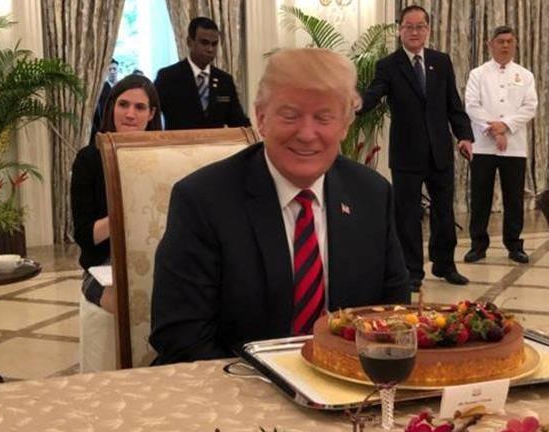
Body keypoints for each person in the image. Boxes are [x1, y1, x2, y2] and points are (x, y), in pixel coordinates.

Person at [150, 48, 410, 364]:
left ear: (344, 125)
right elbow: (181, 338)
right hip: (236, 391)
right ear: (261, 118)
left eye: (324, 117)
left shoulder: (372, 194)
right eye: (290, 115)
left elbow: (394, 316)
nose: (306, 133)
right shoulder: (202, 200)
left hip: (348, 391)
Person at [360, 5, 475, 289]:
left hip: (439, 152)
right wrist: (355, 103)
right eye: (408, 26)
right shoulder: (388, 65)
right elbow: (374, 93)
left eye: (420, 26)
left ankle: (444, 264)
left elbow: (453, 105)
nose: (414, 32)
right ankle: (412, 271)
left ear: (428, 30)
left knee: (444, 212)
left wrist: (464, 136)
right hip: (406, 153)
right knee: (407, 215)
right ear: (400, 30)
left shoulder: (441, 61)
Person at [71, 75, 162, 371]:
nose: (130, 114)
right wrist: (126, 210)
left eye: (139, 107)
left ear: (152, 114)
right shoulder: (88, 159)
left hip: (157, 262)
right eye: (123, 104)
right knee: (126, 305)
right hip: (103, 268)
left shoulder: (165, 157)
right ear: (111, 107)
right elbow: (85, 236)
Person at [463, 25, 538, 264]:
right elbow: (472, 106)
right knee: (480, 196)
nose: (505, 45)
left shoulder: (525, 75)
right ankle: (478, 244)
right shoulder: (478, 74)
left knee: (514, 198)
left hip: (514, 147)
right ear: (490, 44)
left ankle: (514, 245)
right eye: (500, 41)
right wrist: (494, 131)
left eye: (509, 41)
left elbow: (530, 107)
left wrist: (505, 126)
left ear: (515, 44)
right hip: (483, 145)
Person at [154, 16, 249, 130]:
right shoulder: (168, 77)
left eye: (214, 44)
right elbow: (151, 116)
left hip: (216, 146)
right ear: (189, 42)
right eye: (204, 43)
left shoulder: (225, 80)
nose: (210, 49)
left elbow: (238, 121)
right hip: (179, 145)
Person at [89, 58, 120, 141]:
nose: (112, 72)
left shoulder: (122, 86)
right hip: (106, 125)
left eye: (114, 69)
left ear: (118, 70)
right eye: (110, 69)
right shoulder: (101, 89)